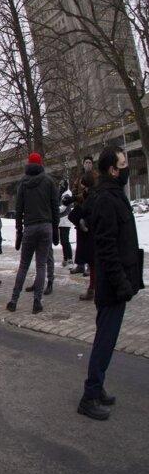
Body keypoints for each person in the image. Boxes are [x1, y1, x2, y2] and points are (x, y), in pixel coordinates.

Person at [79, 147, 143, 421]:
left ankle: (98, 386)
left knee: (107, 338)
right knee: (105, 340)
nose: (127, 167)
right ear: (113, 170)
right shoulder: (107, 198)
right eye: (123, 163)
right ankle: (89, 396)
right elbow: (106, 247)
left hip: (117, 281)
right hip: (112, 284)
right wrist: (121, 283)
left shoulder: (113, 194)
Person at [8, 152, 59, 314]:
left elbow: (19, 209)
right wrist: (55, 228)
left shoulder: (23, 183)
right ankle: (37, 301)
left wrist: (18, 230)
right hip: (45, 226)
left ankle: (14, 300)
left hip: (29, 227)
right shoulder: (49, 182)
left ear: (28, 164)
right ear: (41, 164)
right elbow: (55, 207)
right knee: (41, 265)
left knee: (23, 265)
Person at [69, 172, 98, 300]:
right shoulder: (90, 195)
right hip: (91, 233)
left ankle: (93, 289)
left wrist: (82, 220)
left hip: (92, 233)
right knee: (93, 264)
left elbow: (91, 213)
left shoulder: (92, 196)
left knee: (93, 263)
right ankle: (93, 288)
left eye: (83, 185)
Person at [58, 180, 74, 268]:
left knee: (65, 240)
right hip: (62, 220)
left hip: (65, 220)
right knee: (63, 241)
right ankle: (66, 258)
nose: (59, 187)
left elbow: (63, 207)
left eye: (61, 185)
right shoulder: (63, 194)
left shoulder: (66, 195)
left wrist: (54, 209)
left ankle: (69, 258)